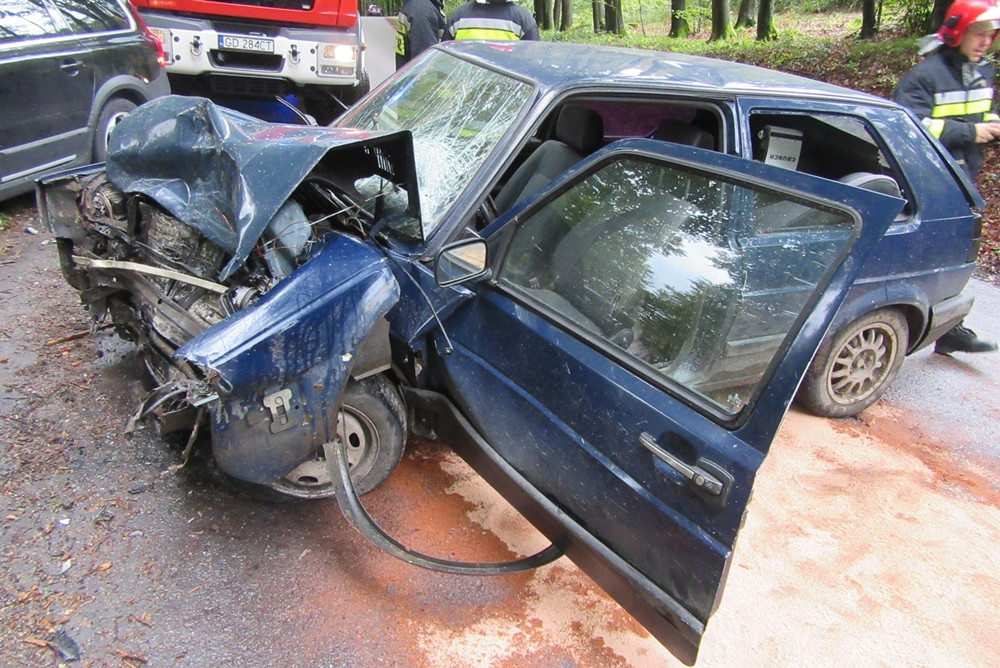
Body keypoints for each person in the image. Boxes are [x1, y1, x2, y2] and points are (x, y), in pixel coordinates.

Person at [892, 0, 1000, 354]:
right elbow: (908, 125)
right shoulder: (926, 75)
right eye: (979, 34)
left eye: (991, 35)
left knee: (953, 253)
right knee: (925, 252)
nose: (986, 41)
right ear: (958, 32)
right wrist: (969, 133)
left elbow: (978, 113)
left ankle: (949, 326)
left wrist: (990, 126)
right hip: (931, 180)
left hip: (963, 176)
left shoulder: (981, 70)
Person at [446, 0, 539, 42]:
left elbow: (443, 63)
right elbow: (534, 63)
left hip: (464, 80)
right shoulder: (523, 19)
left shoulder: (459, 16)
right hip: (507, 81)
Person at [395, 0, 447, 69]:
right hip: (418, 77)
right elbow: (424, 61)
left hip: (405, 72)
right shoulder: (423, 10)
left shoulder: (414, 5)